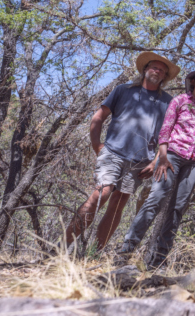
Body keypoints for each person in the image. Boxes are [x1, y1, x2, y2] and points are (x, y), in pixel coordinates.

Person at [65, 52, 179, 251]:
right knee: (102, 193)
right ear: (145, 70)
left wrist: (156, 161)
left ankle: (95, 253)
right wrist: (96, 145)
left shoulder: (168, 102)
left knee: (118, 204)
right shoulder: (123, 90)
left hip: (140, 162)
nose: (157, 71)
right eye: (154, 67)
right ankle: (61, 246)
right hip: (113, 152)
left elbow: (167, 135)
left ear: (164, 77)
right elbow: (98, 117)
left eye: (161, 70)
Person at [118, 68, 195, 266]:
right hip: (172, 155)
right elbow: (166, 129)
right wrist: (162, 157)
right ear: (193, 81)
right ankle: (126, 251)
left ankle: (158, 260)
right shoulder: (179, 100)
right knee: (156, 198)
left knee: (178, 207)